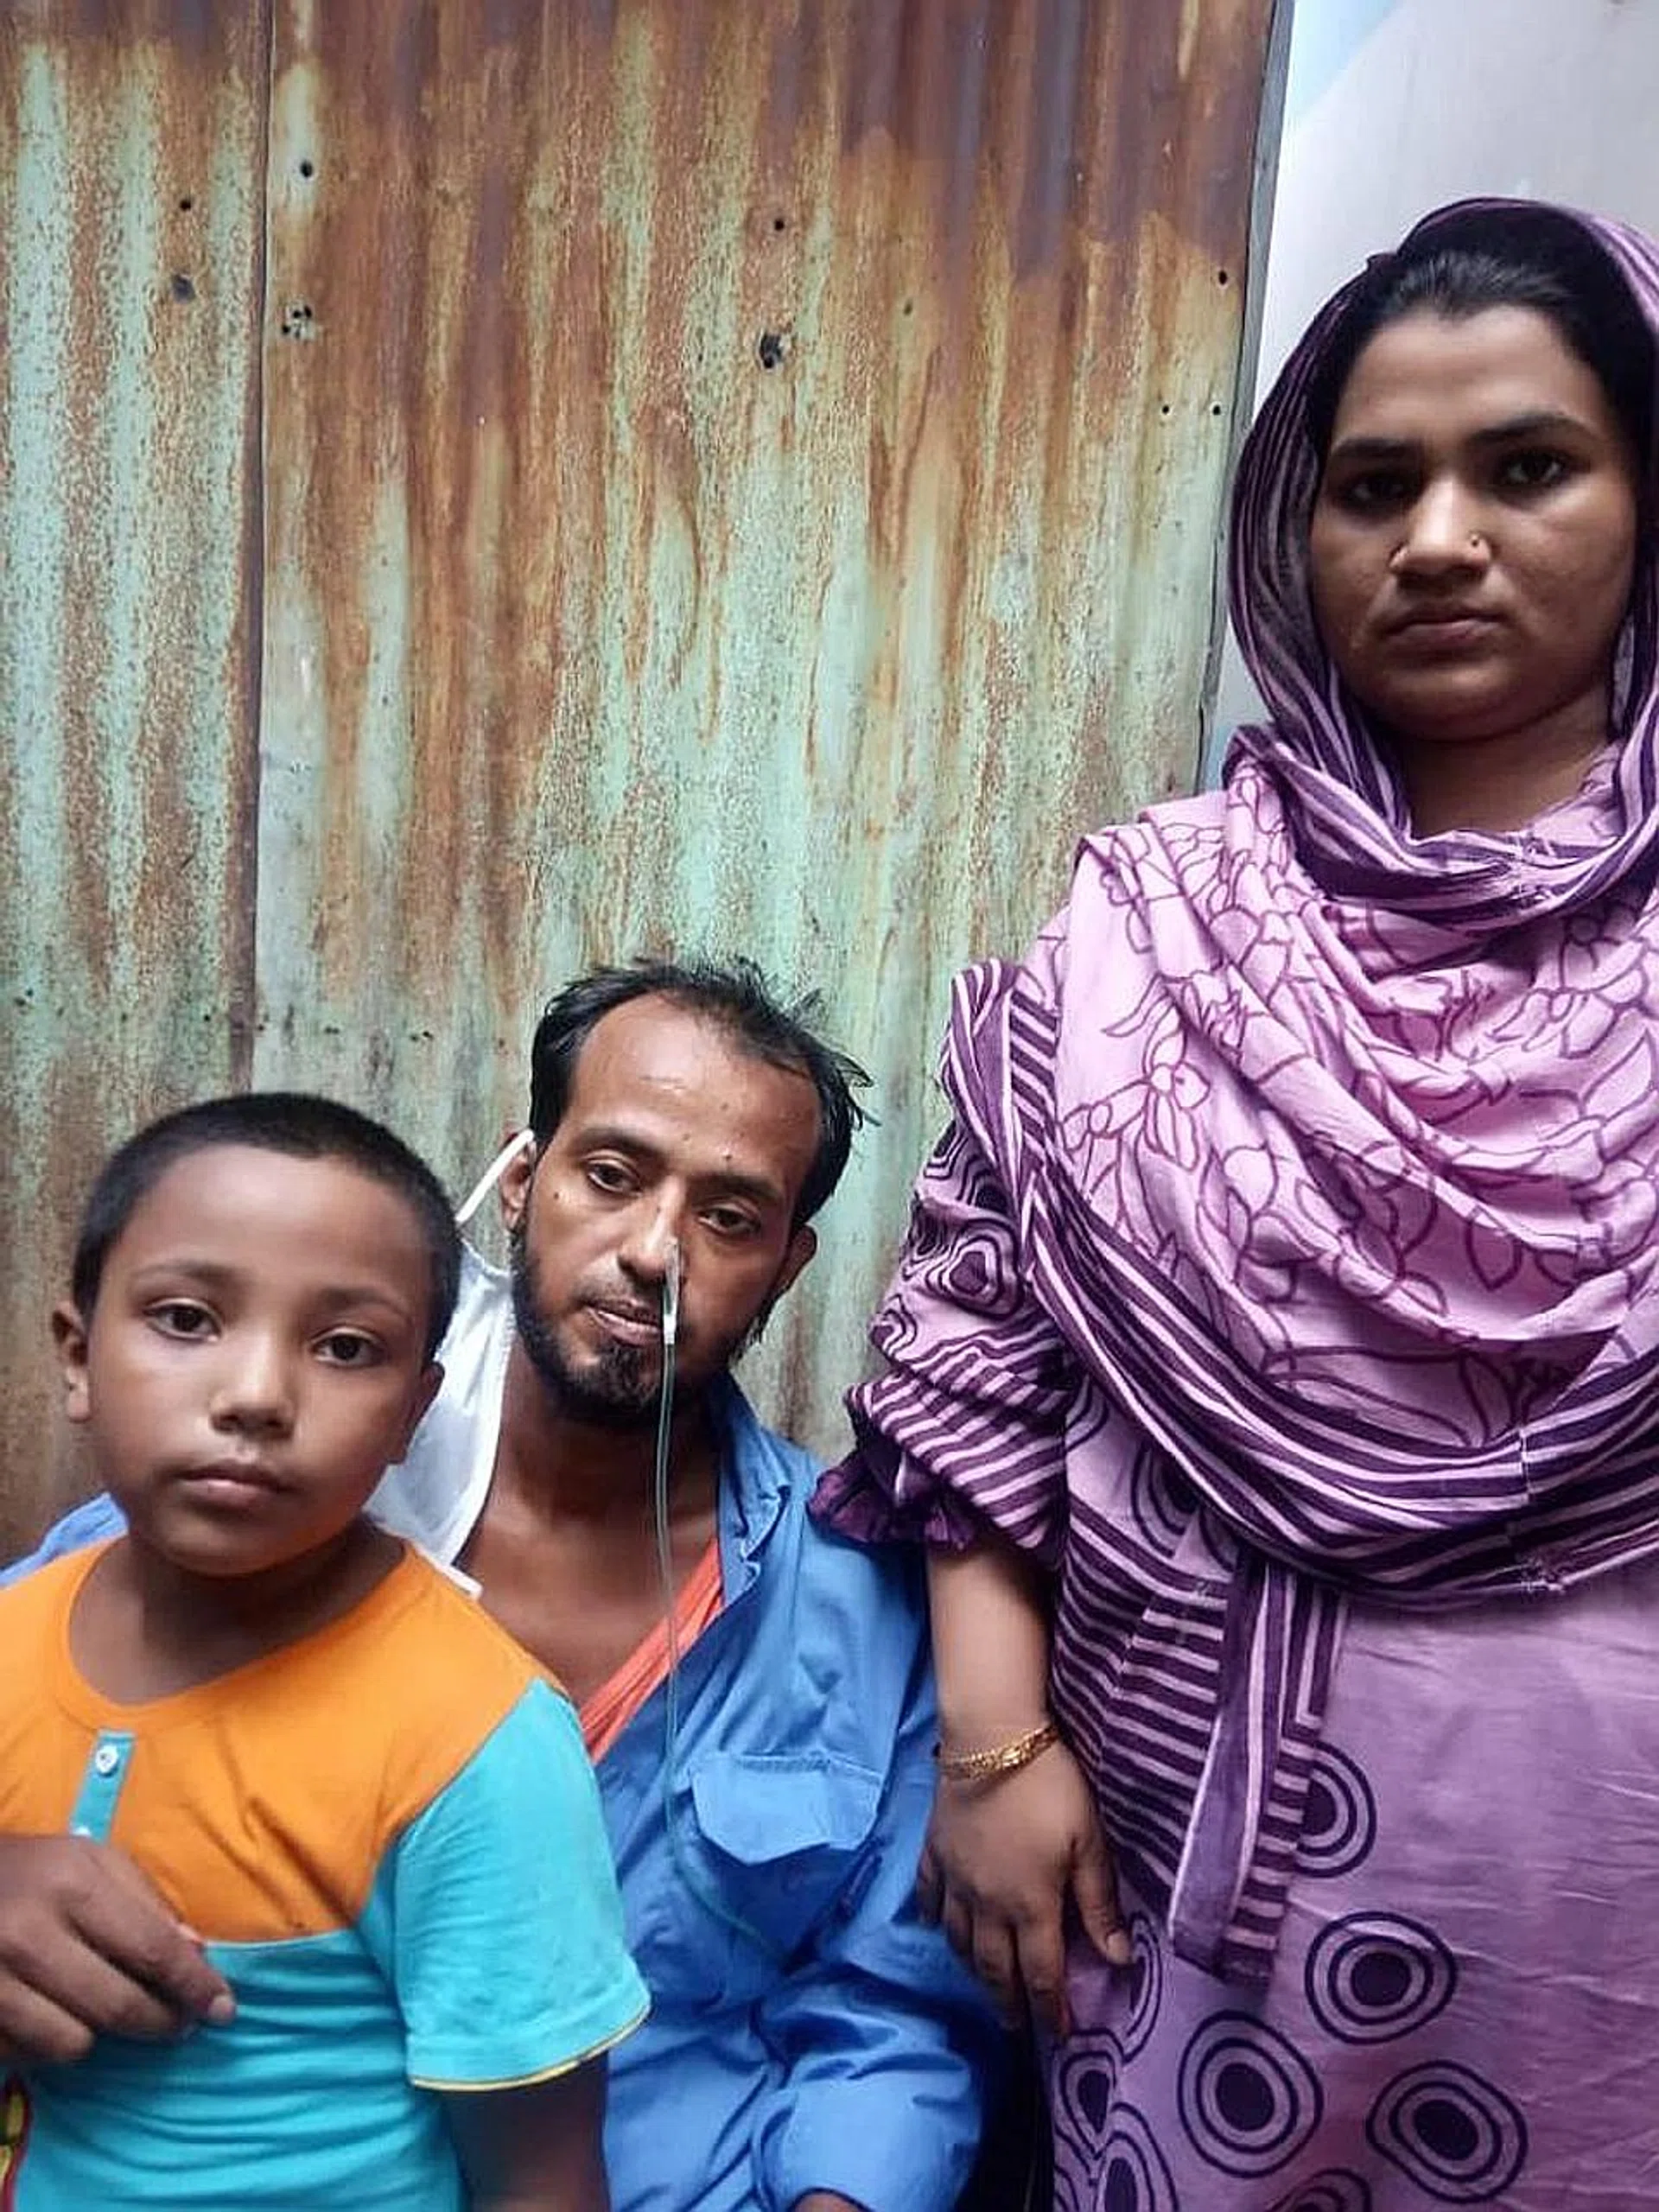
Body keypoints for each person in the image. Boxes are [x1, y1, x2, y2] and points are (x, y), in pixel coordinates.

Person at [814, 197, 1659, 2207]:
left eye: (1526, 466)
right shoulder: (1161, 915)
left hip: (1603, 1918)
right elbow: (973, 1347)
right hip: (1179, 1897)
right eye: (1376, 485)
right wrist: (995, 1750)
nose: (1438, 537)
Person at [1, 963, 999, 2212]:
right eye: (614, 1176)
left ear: (787, 1270)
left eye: (729, 1218)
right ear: (524, 1183)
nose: (652, 1253)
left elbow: (889, 2011)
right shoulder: (279, 1491)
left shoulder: (855, 1596)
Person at [0, 1092, 646, 2210]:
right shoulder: (12, 1635)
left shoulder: (472, 1741)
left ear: (412, 1413)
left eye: (347, 1347)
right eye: (187, 1319)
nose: (255, 1396)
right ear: (77, 1354)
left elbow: (540, 2183)